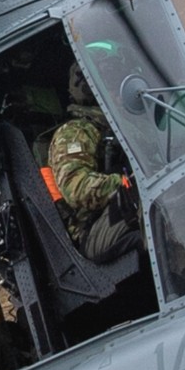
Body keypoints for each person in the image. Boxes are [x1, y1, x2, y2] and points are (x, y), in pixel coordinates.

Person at [41, 68, 138, 264]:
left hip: (118, 214)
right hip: (93, 229)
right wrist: (128, 184)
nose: (120, 95)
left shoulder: (127, 128)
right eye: (112, 86)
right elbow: (76, 187)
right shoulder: (76, 132)